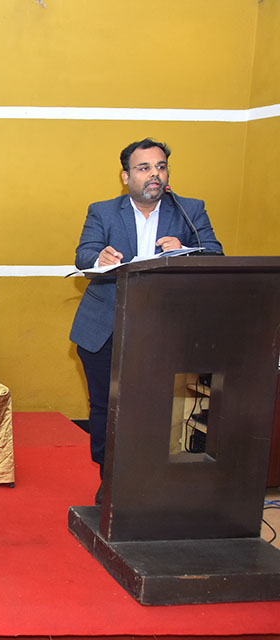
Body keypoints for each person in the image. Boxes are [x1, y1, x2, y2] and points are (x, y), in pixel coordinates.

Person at [69, 138, 223, 504]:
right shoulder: (103, 211)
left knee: (157, 408)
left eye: (160, 167)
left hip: (164, 328)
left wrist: (186, 252)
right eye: (144, 168)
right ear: (126, 176)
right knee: (106, 407)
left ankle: (150, 483)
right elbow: (83, 254)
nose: (154, 174)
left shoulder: (189, 210)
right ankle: (109, 480)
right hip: (104, 327)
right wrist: (100, 257)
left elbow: (215, 254)